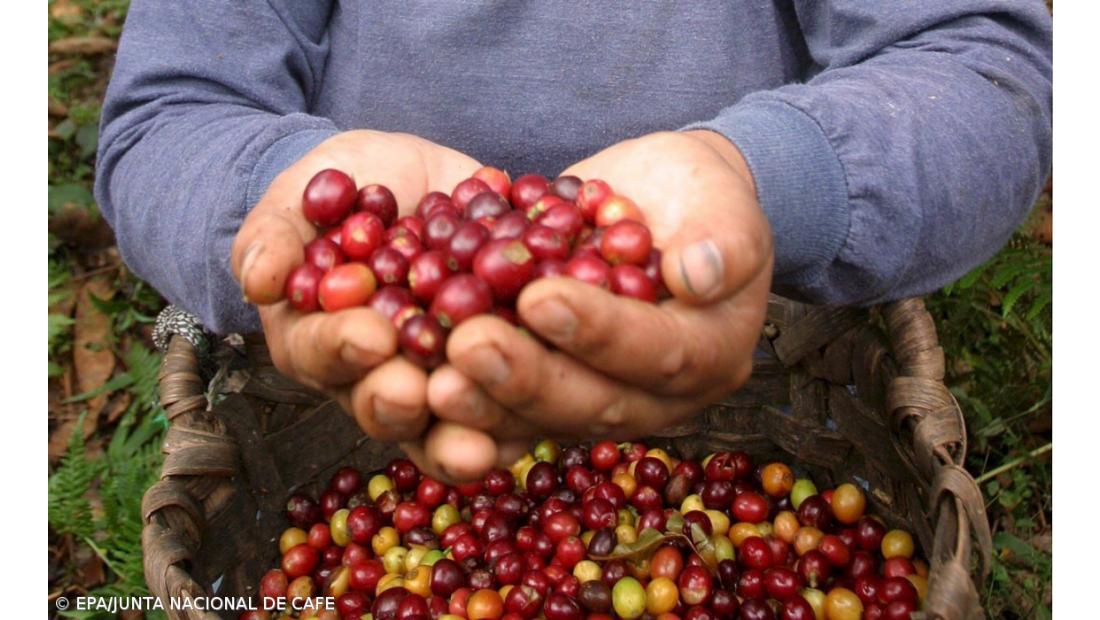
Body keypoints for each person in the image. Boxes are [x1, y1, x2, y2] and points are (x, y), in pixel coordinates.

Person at [95, 1, 1052, 481]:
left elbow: (975, 63)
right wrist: (280, 202)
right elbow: (169, 116)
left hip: (766, 383)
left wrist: (761, 178)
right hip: (345, 411)